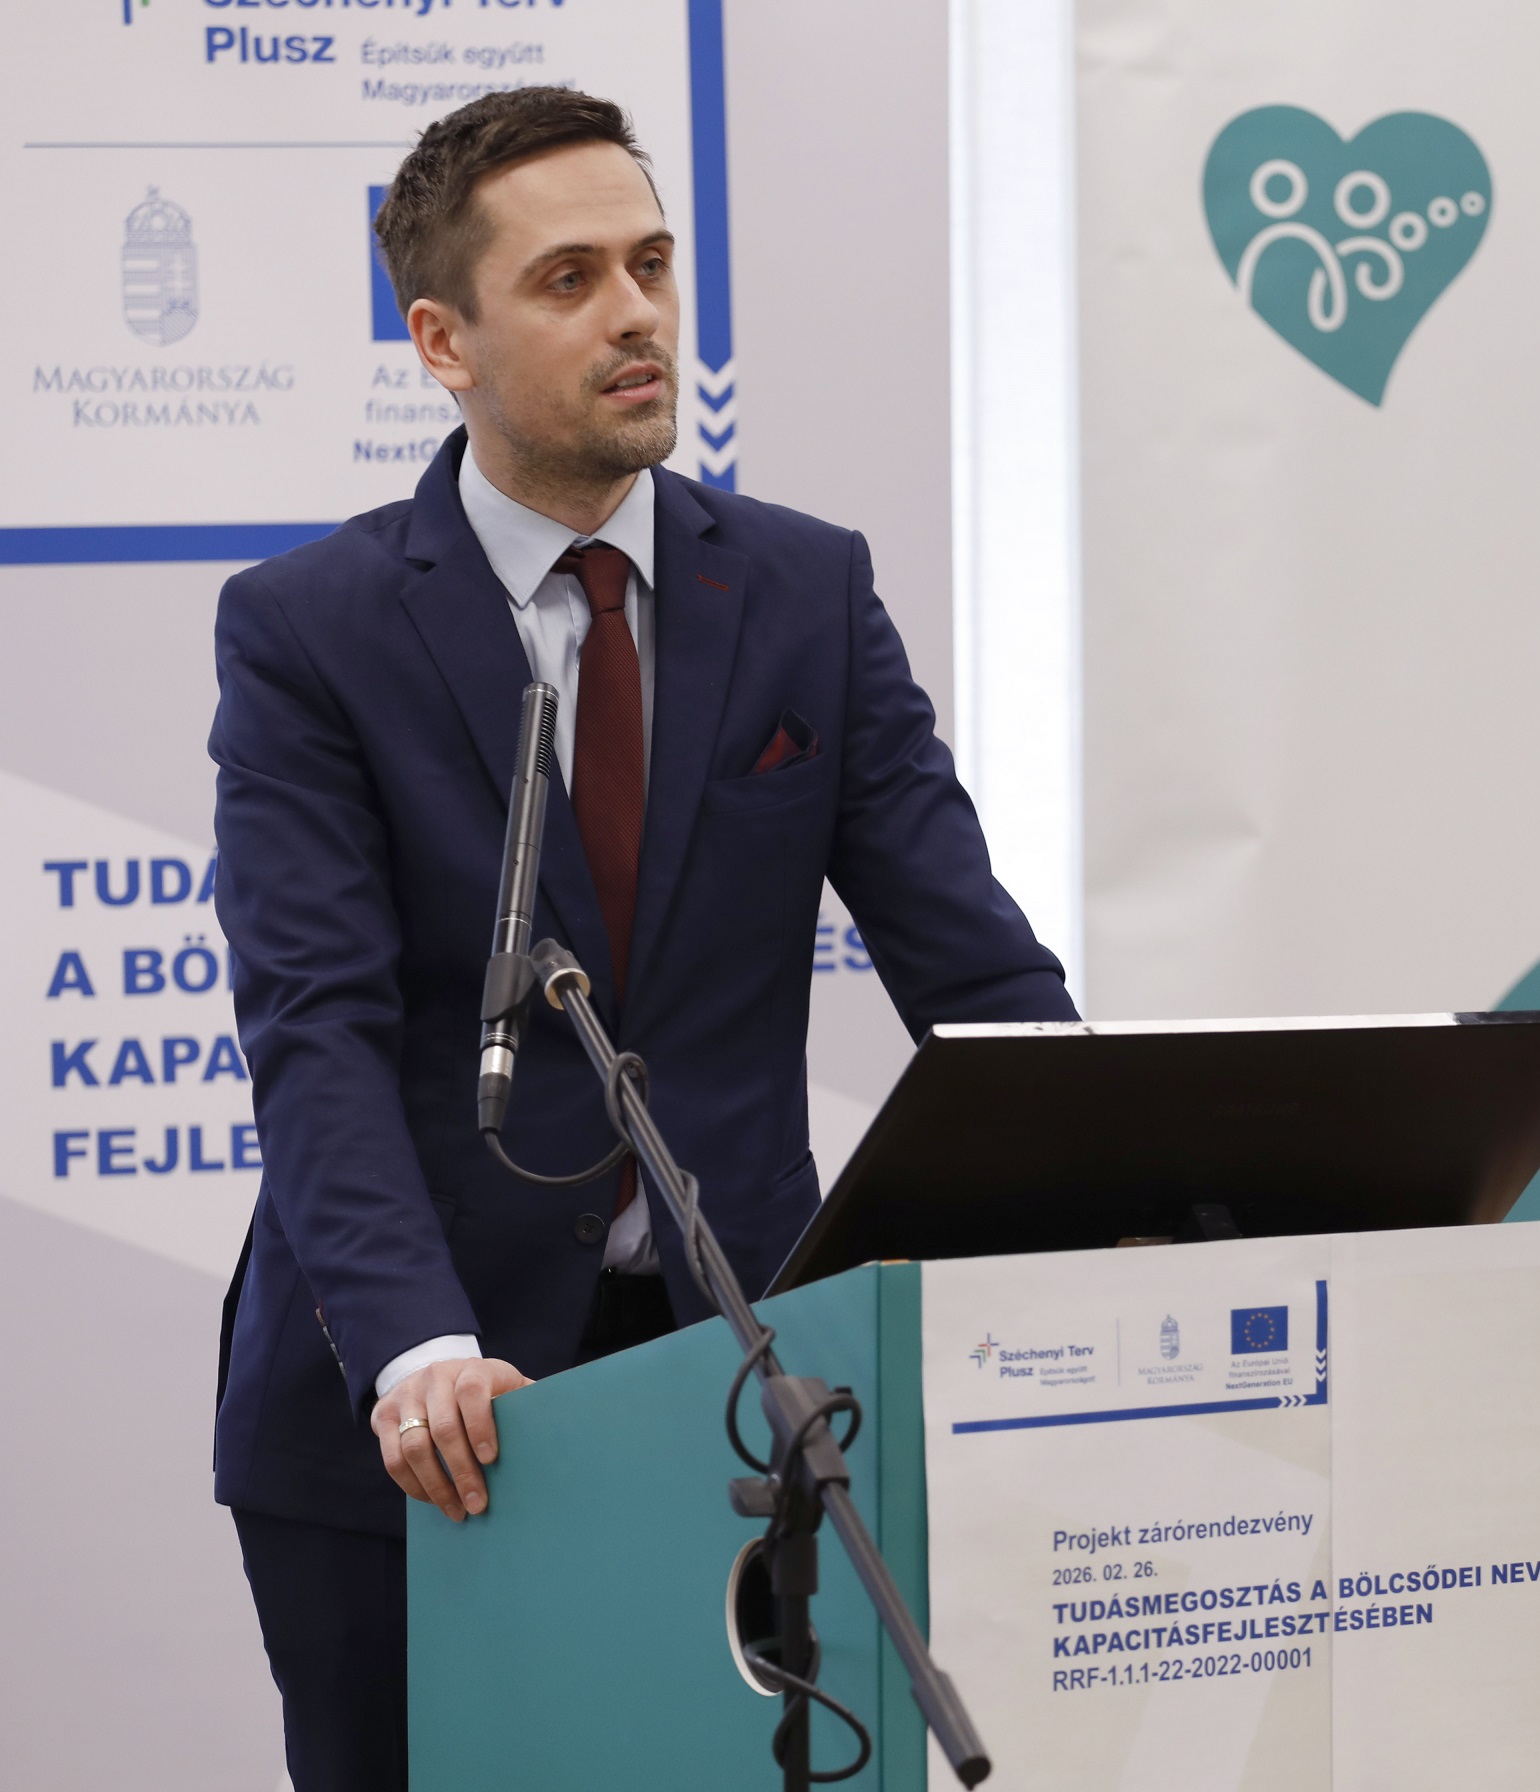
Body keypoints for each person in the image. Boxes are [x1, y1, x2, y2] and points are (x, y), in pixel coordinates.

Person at [210, 86, 1076, 1790]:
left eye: (653, 265)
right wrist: (417, 1344)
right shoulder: (311, 632)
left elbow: (976, 975)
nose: (637, 314)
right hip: (423, 1405)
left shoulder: (809, 592)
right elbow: (315, 1026)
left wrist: (1124, 1200)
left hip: (742, 1382)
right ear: (442, 341)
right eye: (571, 279)